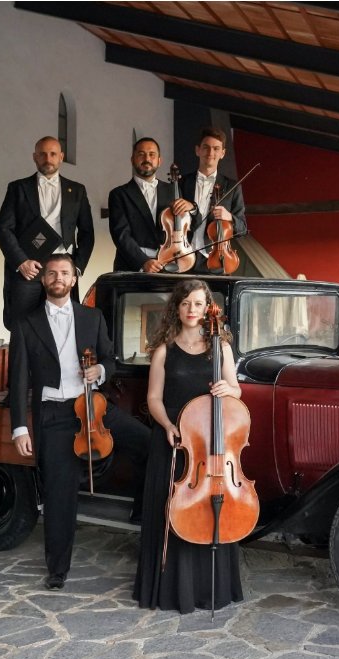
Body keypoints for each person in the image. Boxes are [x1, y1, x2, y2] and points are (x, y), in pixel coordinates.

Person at [8, 254, 149, 590]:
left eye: (65, 273)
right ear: (43, 279)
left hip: (93, 406)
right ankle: (57, 569)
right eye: (52, 273)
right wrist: (20, 427)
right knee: (60, 493)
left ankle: (144, 514)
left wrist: (99, 370)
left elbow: (109, 359)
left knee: (150, 443)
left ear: (74, 280)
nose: (58, 278)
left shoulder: (92, 316)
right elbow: (18, 380)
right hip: (55, 414)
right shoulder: (25, 323)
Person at [133, 279, 244, 613]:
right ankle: (168, 590)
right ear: (176, 309)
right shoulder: (164, 349)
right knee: (170, 510)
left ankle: (209, 588)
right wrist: (168, 425)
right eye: (185, 304)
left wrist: (228, 390)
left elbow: (236, 390)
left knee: (210, 507)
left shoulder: (220, 347)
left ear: (207, 308)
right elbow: (153, 398)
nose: (192, 310)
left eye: (198, 303)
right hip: (173, 439)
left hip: (209, 442)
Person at [0, 136, 95, 330]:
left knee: (63, 325)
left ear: (61, 157)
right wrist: (21, 262)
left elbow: (87, 232)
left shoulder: (77, 190)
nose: (48, 159)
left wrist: (77, 267)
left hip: (64, 266)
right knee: (23, 326)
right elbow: (3, 228)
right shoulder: (18, 188)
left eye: (53, 154)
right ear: (35, 157)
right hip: (29, 267)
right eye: (42, 154)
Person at [173, 127, 248, 273]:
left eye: (216, 148)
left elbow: (243, 229)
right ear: (198, 150)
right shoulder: (182, 183)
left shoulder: (232, 187)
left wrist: (229, 217)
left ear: (223, 153)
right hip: (183, 256)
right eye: (206, 147)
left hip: (215, 259)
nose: (210, 153)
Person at [108, 137, 175, 273]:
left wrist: (192, 208)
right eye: (141, 154)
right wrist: (143, 261)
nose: (147, 159)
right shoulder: (118, 194)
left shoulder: (174, 191)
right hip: (131, 267)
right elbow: (121, 235)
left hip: (168, 265)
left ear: (159, 161)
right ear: (132, 159)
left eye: (152, 154)